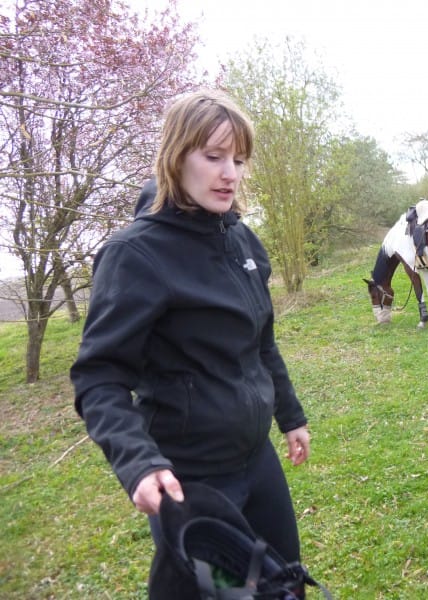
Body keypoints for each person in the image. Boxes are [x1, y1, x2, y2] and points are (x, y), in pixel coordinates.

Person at [70, 89, 311, 599]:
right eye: (214, 156)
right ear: (176, 157)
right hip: (194, 484)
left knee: (284, 587)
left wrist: (289, 416)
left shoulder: (242, 241)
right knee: (225, 595)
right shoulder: (134, 255)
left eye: (239, 160)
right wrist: (138, 461)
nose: (231, 174)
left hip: (257, 460)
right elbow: (99, 377)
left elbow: (261, 342)